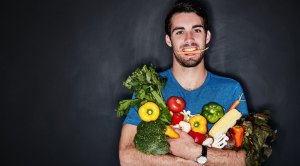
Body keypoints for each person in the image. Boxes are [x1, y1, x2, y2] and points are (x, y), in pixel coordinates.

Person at [119, 0, 248, 165]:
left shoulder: (231, 90)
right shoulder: (149, 89)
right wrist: (183, 162)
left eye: (197, 30)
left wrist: (195, 151)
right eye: (180, 32)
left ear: (207, 37)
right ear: (169, 40)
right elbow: (126, 156)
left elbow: (246, 160)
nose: (189, 39)